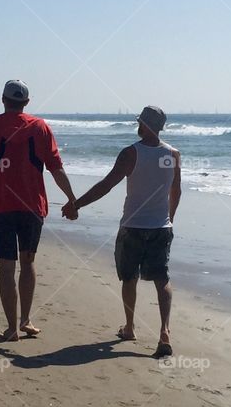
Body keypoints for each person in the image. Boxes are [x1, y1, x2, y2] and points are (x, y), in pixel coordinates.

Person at [0, 80, 77, 341]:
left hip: (0, 206)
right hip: (31, 207)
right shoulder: (39, 127)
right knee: (28, 263)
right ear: (26, 102)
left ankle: (12, 329)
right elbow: (56, 168)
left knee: (7, 268)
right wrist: (72, 199)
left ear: (3, 99)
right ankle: (26, 319)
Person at [67, 106, 181, 358]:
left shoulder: (131, 153)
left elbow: (106, 185)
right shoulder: (173, 154)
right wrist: (169, 219)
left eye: (140, 122)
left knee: (129, 277)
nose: (137, 126)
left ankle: (129, 327)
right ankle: (164, 332)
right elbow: (176, 190)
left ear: (144, 125)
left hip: (132, 226)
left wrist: (76, 204)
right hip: (160, 227)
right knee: (162, 279)